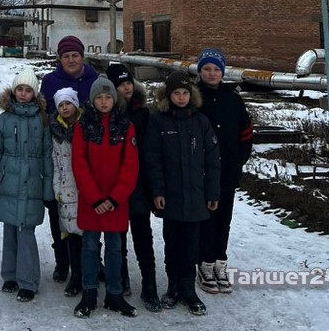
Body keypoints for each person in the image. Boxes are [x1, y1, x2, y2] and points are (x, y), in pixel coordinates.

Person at [145, 71, 220, 317]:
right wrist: (157, 191)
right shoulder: (158, 121)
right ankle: (173, 287)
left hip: (196, 196)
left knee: (191, 245)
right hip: (171, 196)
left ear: (191, 95)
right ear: (168, 96)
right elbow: (153, 159)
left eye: (185, 93)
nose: (181, 97)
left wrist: (212, 193)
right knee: (172, 243)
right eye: (176, 93)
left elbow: (212, 160)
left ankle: (189, 289)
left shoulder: (201, 121)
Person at [0, 68, 54, 303]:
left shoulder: (42, 120)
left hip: (32, 183)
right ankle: (10, 275)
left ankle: (28, 281)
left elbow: (47, 156)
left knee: (26, 231)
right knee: (10, 229)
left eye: (28, 90)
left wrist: (48, 190)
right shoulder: (4, 119)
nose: (23, 94)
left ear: (34, 93)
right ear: (14, 91)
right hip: (9, 183)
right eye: (20, 89)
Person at [71, 75, 139, 318]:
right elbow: (79, 163)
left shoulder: (125, 125)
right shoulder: (83, 126)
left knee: (114, 248)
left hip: (115, 202)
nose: (103, 101)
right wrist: (95, 198)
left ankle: (114, 293)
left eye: (107, 97)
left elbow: (130, 165)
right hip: (92, 201)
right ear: (92, 100)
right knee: (89, 247)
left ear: (114, 99)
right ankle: (89, 292)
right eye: (99, 97)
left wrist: (114, 198)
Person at [195, 48, 253, 295]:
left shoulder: (233, 99)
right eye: (207, 69)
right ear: (200, 71)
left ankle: (220, 262)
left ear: (222, 72)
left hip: (227, 172)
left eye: (216, 69)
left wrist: (238, 160)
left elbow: (245, 133)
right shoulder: (194, 98)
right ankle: (205, 264)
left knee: (224, 220)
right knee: (206, 220)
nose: (212, 73)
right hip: (202, 173)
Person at [40, 35, 99, 281]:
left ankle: (93, 260)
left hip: (89, 157)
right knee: (58, 211)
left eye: (75, 55)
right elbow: (44, 114)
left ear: (82, 57)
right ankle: (62, 261)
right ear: (60, 59)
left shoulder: (95, 80)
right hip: (59, 155)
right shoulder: (50, 81)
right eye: (66, 56)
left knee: (90, 211)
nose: (71, 60)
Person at [106, 62, 161, 311]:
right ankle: (121, 277)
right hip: (115, 185)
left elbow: (151, 152)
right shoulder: (108, 114)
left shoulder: (143, 113)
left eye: (128, 83)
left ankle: (149, 284)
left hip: (139, 184)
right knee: (117, 236)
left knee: (143, 236)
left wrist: (153, 186)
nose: (126, 88)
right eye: (121, 85)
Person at [49, 87, 84, 297]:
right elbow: (55, 161)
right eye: (61, 105)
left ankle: (88, 272)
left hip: (84, 187)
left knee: (87, 234)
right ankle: (75, 274)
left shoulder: (85, 126)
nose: (64, 108)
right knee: (70, 233)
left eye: (68, 103)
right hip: (65, 189)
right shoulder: (55, 131)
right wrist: (56, 187)